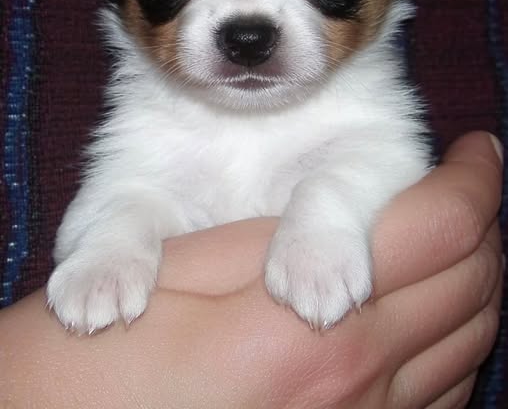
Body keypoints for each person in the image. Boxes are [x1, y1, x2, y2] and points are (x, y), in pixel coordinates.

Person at [0, 131, 502, 409]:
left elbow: (393, 168)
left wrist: (329, 206)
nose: (247, 25)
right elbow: (112, 208)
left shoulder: (362, 127)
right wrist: (117, 238)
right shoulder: (146, 138)